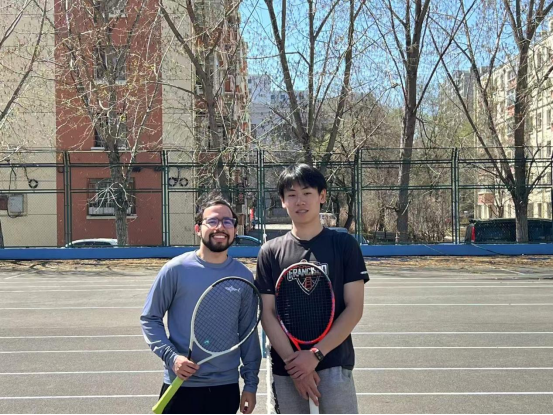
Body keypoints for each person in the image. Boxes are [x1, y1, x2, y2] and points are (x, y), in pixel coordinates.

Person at [256, 164, 369, 414]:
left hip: (333, 364)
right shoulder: (270, 252)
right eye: (292, 194)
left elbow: (354, 309)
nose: (300, 201)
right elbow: (267, 314)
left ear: (322, 196)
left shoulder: (344, 245)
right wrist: (296, 366)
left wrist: (315, 355)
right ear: (283, 201)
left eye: (307, 193)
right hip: (286, 370)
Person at [141, 196, 261, 415]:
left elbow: (248, 334)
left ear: (235, 229)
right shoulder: (175, 269)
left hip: (225, 388)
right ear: (198, 229)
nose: (220, 227)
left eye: (227, 221)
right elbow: (150, 318)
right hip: (180, 385)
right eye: (212, 221)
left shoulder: (243, 276)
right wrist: (172, 358)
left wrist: (250, 384)